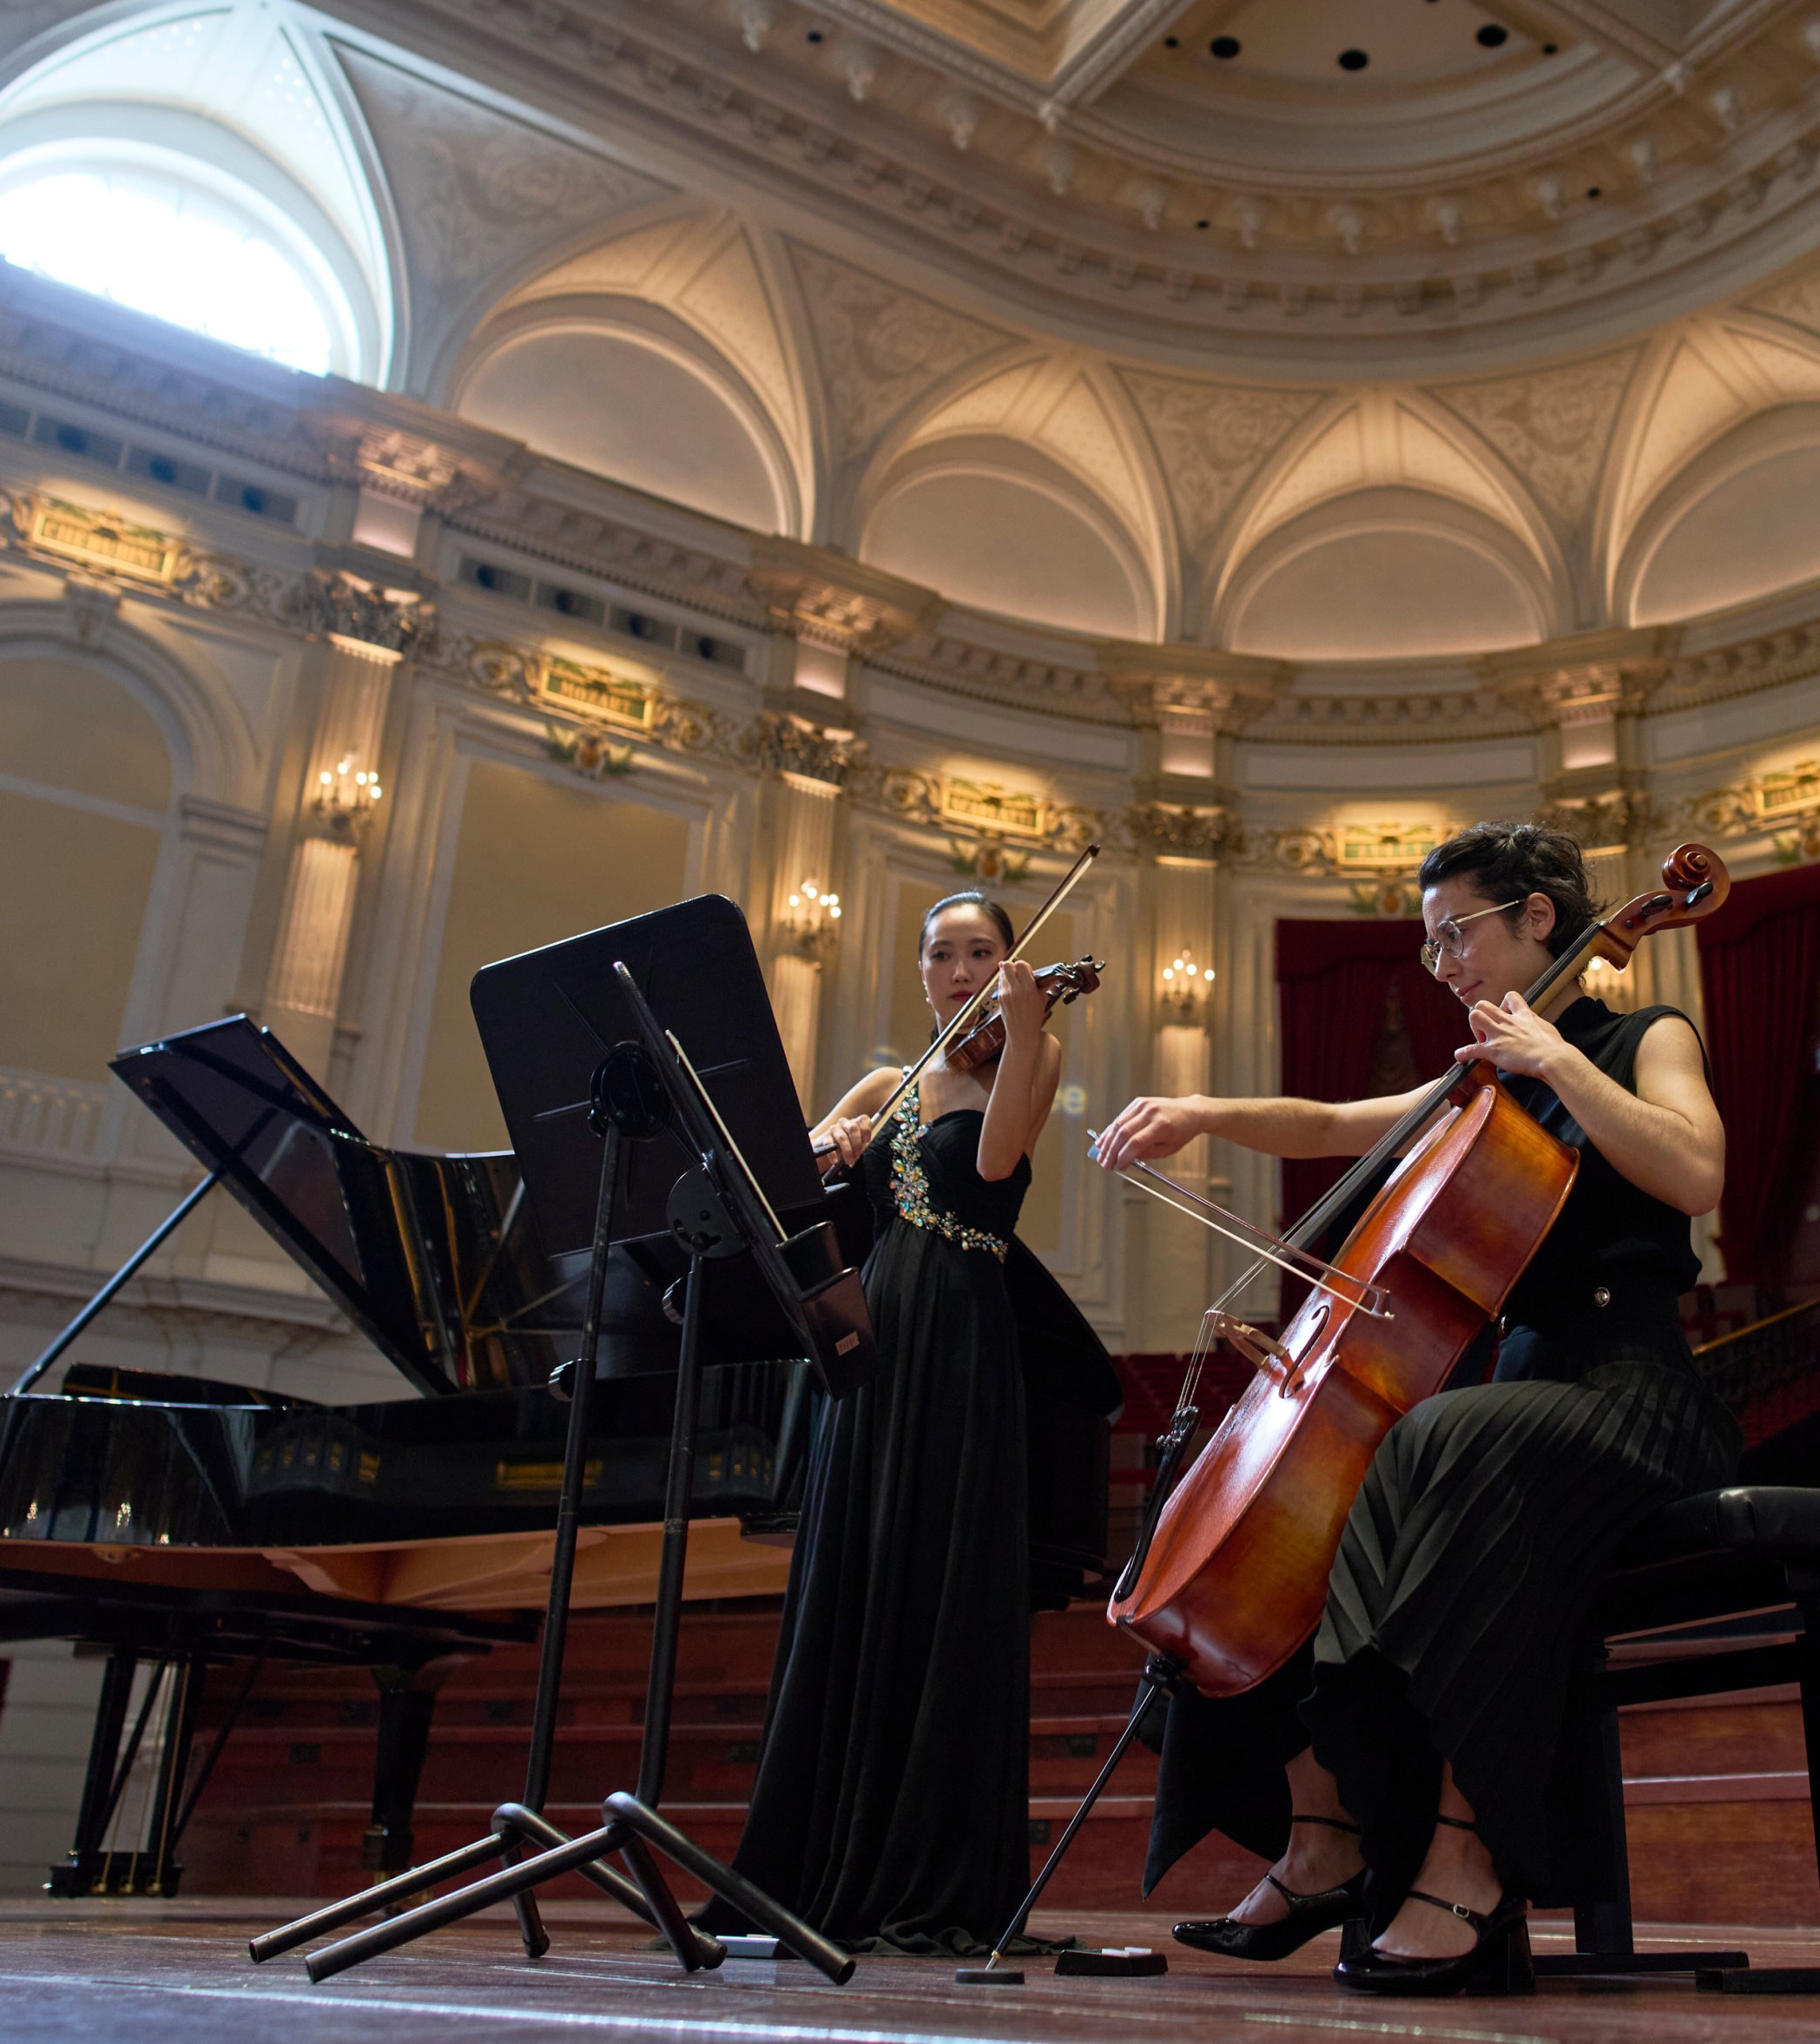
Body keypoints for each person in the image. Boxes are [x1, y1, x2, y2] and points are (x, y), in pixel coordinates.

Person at [1091, 821, 1735, 1997]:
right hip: (1521, 1401)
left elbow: (1693, 1170)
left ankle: (1467, 1856)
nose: (1441, 963)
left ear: (1537, 917)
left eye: (1456, 933)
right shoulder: (1470, 1079)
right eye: (1427, 941)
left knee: (1436, 1438)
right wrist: (1198, 1111)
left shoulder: (1647, 1036)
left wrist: (1561, 1063)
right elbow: (1338, 1125)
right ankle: (1323, 1828)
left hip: (1633, 1395)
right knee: (1302, 1500)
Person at [722, 890, 1064, 1953]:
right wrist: (828, 1154)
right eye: (942, 955)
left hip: (962, 1344)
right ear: (920, 972)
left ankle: (930, 1873)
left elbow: (997, 1162)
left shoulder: (1030, 1062)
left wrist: (1032, 1025)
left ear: (1008, 964)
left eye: (981, 954)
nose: (960, 971)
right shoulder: (886, 1080)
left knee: (938, 1581)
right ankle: (821, 1859)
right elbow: (770, 1188)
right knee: (856, 1580)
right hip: (870, 1350)